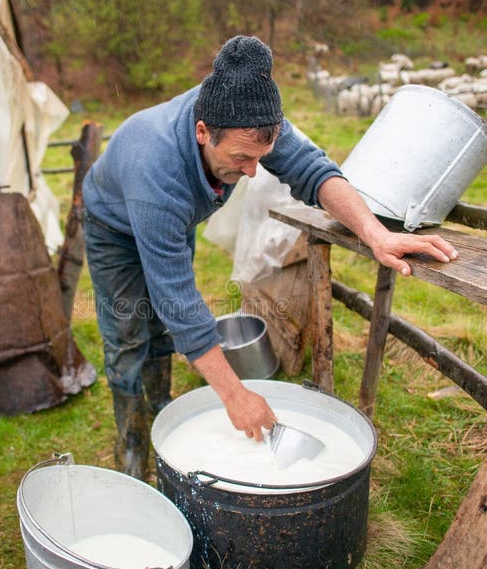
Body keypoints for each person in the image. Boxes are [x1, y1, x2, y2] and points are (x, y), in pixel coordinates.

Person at [82, 36, 458, 480]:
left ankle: (161, 412)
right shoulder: (155, 167)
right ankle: (130, 444)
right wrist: (235, 394)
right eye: (241, 158)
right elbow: (179, 299)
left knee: (161, 331)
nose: (252, 172)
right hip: (115, 227)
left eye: (260, 157)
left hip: (172, 218)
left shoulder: (252, 118)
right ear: (203, 132)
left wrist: (376, 234)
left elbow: (313, 171)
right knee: (129, 334)